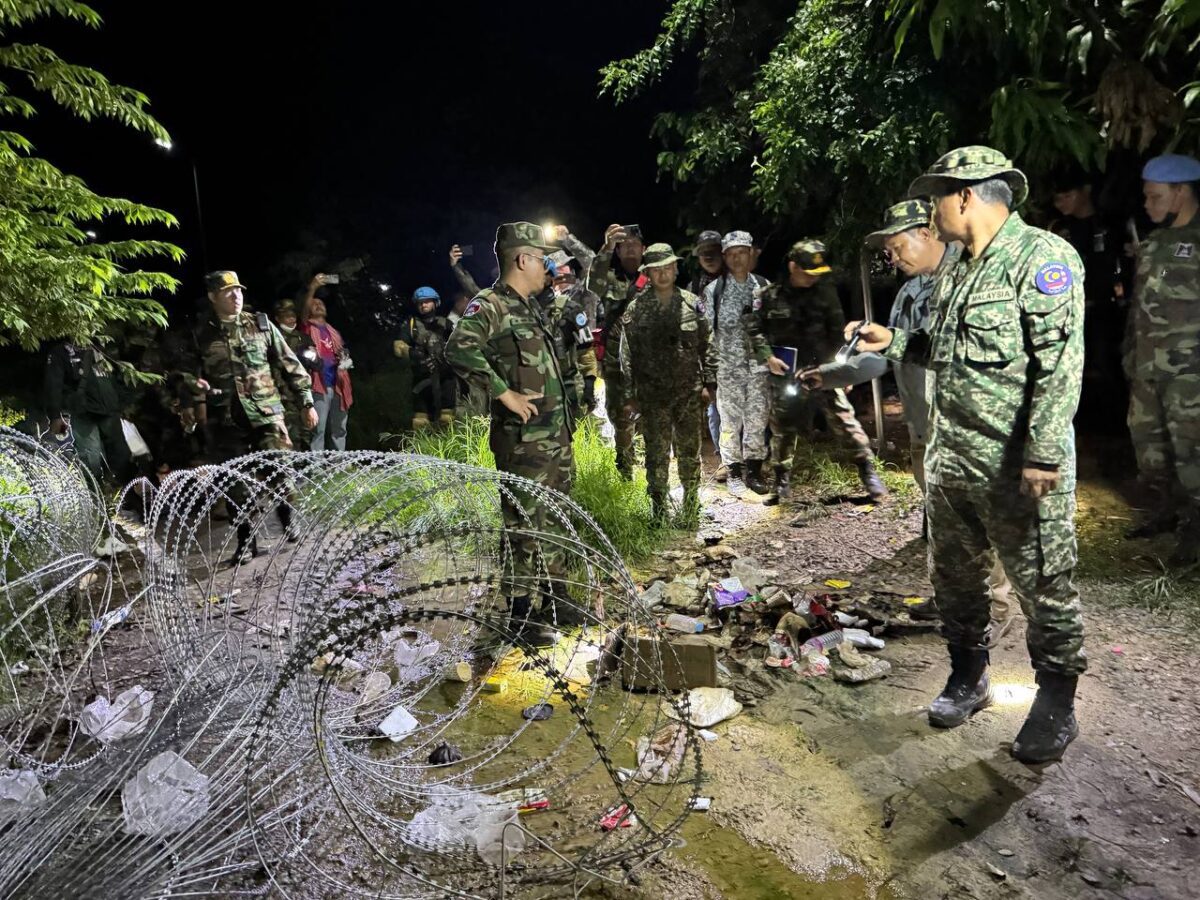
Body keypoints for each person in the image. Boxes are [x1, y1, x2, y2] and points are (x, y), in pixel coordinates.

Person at [850, 146, 1086, 764]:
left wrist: (1042, 455)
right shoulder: (956, 270)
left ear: (965, 196)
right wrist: (895, 338)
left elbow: (1059, 367)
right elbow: (944, 350)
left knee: (1044, 585)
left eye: (936, 197)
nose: (932, 211)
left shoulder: (1043, 259)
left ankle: (1056, 703)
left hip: (1015, 466)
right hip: (952, 461)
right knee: (955, 581)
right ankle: (968, 675)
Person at [807, 200, 1016, 644]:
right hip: (927, 433)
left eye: (896, 245)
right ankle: (951, 597)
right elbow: (883, 359)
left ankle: (997, 607)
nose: (892, 257)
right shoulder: (907, 294)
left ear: (927, 232)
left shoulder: (972, 280)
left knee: (981, 524)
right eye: (886, 249)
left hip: (968, 429)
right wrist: (829, 375)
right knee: (943, 526)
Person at [445, 222, 583, 645]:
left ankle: (557, 601)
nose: (547, 267)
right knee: (523, 527)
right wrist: (503, 394)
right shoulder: (491, 305)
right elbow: (458, 348)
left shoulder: (530, 306)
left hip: (554, 438)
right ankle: (522, 617)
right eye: (542, 258)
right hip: (523, 441)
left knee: (556, 519)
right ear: (522, 259)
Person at [178, 271, 317, 564]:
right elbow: (187, 373)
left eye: (238, 290)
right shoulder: (200, 334)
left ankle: (287, 518)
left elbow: (289, 363)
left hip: (265, 412)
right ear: (213, 297)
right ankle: (245, 539)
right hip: (225, 417)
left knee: (279, 469)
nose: (236, 296)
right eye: (227, 292)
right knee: (232, 484)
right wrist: (193, 388)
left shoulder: (261, 325)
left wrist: (306, 402)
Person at [748, 239, 886, 503]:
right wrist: (768, 358)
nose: (813, 278)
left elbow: (838, 335)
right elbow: (755, 331)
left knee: (845, 422)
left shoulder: (826, 294)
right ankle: (781, 482)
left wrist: (843, 372)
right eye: (808, 272)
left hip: (823, 371)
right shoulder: (769, 296)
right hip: (787, 372)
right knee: (783, 430)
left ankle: (868, 474)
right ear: (793, 267)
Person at [1123, 153, 1200, 564]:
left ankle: (1195, 530)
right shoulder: (1153, 244)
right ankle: (1167, 512)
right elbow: (1140, 308)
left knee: (1193, 453)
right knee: (1151, 449)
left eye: (1156, 197)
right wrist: (1131, 356)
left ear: (1181, 192)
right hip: (1150, 367)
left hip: (1191, 373)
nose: (1148, 206)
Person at [619, 243, 717, 525]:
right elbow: (627, 355)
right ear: (647, 273)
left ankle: (690, 503)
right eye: (656, 270)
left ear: (675, 269)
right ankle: (659, 509)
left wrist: (710, 384)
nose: (662, 274)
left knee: (689, 451)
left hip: (688, 391)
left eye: (667, 268)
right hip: (652, 394)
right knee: (656, 453)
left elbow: (707, 344)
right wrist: (629, 394)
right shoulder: (637, 308)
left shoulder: (691, 303)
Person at [1049, 167, 1128, 434]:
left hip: (1105, 309)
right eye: (1057, 198)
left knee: (1108, 369)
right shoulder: (1057, 229)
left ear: (1086, 191)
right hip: (1070, 313)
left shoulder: (1109, 225)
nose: (1061, 204)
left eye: (1067, 196)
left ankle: (1113, 431)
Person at [702, 230, 770, 497]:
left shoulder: (764, 287)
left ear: (750, 254)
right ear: (725, 257)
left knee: (757, 418)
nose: (737, 258)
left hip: (759, 368)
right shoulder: (714, 292)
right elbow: (706, 335)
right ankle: (733, 471)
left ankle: (754, 470)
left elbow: (774, 327)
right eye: (732, 254)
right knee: (730, 421)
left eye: (742, 252)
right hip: (727, 369)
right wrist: (708, 375)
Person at [587, 224, 647, 478]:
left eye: (635, 244)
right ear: (618, 251)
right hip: (615, 361)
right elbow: (593, 285)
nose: (630, 249)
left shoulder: (655, 276)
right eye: (625, 245)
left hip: (647, 360)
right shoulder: (610, 278)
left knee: (649, 411)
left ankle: (648, 462)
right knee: (618, 414)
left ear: (644, 249)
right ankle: (625, 466)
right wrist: (606, 247)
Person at [299, 273, 354, 451]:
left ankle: (339, 465)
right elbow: (305, 311)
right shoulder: (307, 328)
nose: (318, 305)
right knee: (318, 429)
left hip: (339, 385)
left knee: (340, 428)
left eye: (321, 303)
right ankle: (317, 469)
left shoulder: (334, 331)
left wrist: (345, 359)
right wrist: (313, 287)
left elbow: (343, 351)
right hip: (318, 385)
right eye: (314, 304)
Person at [688, 229, 727, 476]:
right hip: (709, 361)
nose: (709, 257)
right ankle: (725, 459)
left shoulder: (738, 280)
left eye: (714, 252)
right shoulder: (693, 287)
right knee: (715, 411)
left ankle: (749, 460)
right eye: (704, 253)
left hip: (738, 357)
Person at [395, 286, 457, 430]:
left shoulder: (446, 324)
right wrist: (413, 353)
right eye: (420, 303)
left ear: (435, 303)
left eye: (427, 301)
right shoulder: (411, 325)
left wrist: (447, 359)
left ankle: (447, 447)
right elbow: (398, 346)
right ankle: (422, 449)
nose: (423, 305)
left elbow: (458, 345)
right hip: (422, 377)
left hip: (445, 376)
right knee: (420, 420)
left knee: (447, 417)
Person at [547, 251, 600, 420]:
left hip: (578, 368)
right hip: (548, 376)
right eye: (558, 268)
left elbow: (592, 262)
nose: (563, 270)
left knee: (583, 420)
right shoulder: (539, 303)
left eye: (565, 265)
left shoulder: (584, 292)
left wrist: (589, 384)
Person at [273, 298, 320, 448]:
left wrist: (312, 356)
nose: (291, 318)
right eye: (286, 315)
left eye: (293, 315)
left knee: (307, 432)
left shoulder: (303, 338)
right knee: (289, 432)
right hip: (281, 393)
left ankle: (305, 467)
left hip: (302, 392)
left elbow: (318, 364)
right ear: (277, 318)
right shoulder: (272, 337)